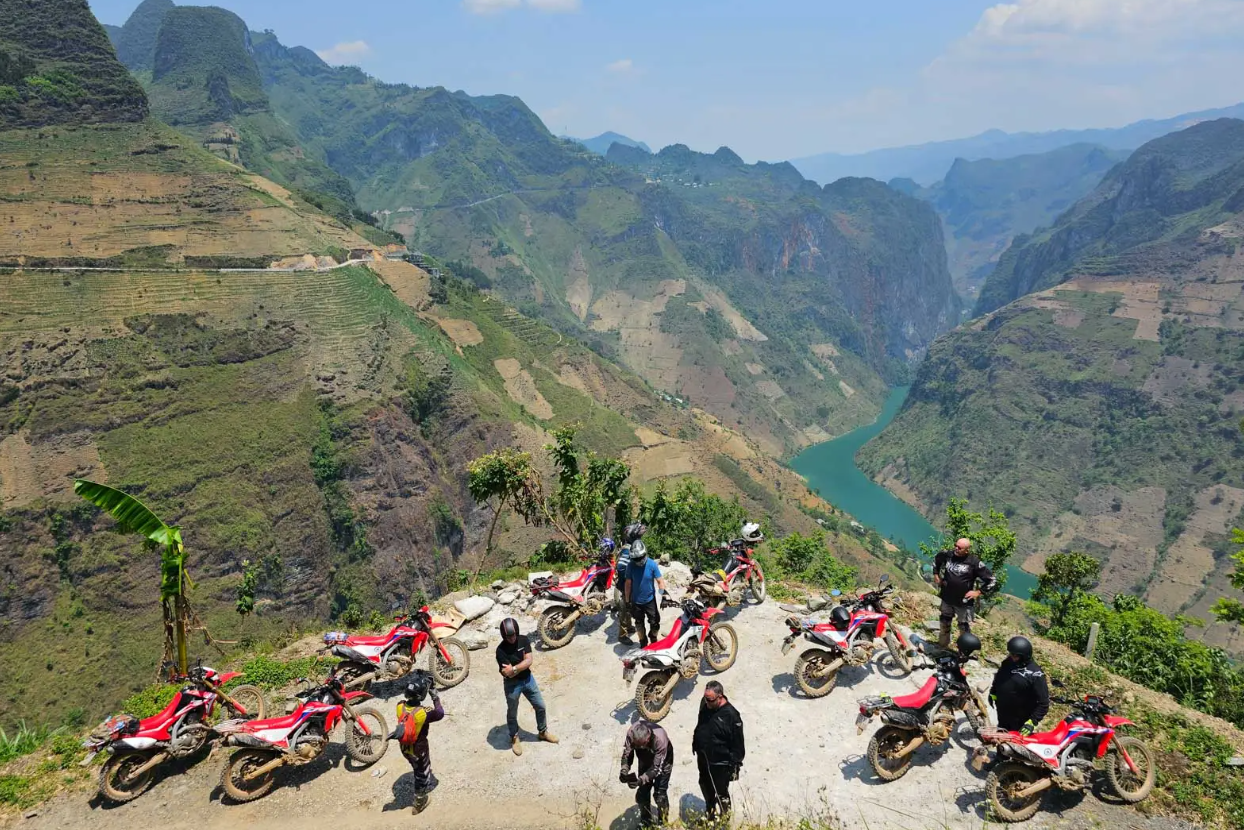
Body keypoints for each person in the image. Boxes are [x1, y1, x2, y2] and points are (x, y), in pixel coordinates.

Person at [496, 617, 558, 756]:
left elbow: (529, 661)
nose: (512, 639)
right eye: (509, 636)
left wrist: (515, 668)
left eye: (513, 635)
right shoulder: (500, 650)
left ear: (517, 632)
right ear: (504, 636)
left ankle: (542, 732)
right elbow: (507, 673)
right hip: (512, 685)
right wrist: (519, 666)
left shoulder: (523, 640)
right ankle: (514, 737)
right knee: (512, 712)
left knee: (540, 706)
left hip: (528, 680)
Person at [390, 670, 444, 814]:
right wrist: (435, 695)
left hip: (404, 746)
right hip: (419, 748)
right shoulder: (422, 713)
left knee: (415, 764)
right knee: (422, 772)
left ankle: (417, 771)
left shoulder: (399, 706)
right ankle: (420, 801)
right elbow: (440, 713)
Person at [692, 681, 744, 821]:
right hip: (703, 757)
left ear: (720, 697)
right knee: (704, 784)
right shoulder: (705, 703)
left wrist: (735, 765)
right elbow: (700, 723)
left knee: (721, 792)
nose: (707, 703)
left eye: (710, 700)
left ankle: (725, 818)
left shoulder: (732, 715)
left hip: (720, 762)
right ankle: (710, 811)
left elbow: (738, 744)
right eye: (705, 698)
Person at [933, 537, 998, 649]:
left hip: (964, 602)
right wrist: (936, 575)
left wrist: (978, 592)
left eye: (959, 548)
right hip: (947, 598)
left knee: (964, 627)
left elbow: (992, 580)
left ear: (967, 550)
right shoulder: (948, 555)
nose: (956, 548)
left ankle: (963, 650)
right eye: (955, 545)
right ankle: (942, 646)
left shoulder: (974, 562)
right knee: (944, 622)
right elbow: (936, 561)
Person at [990, 636, 1050, 734]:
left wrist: (1032, 722)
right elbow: (1000, 677)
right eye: (1010, 653)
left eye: (1015, 655)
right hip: (1003, 714)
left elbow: (1044, 703)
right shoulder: (1008, 662)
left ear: (1024, 657)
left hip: (1020, 721)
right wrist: (993, 691)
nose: (1011, 656)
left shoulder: (1036, 674)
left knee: (1014, 748)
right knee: (1001, 742)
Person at [619, 720, 674, 828]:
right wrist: (624, 770)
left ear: (648, 738)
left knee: (659, 795)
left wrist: (640, 780)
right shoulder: (631, 733)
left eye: (642, 744)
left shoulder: (660, 738)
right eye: (637, 745)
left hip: (664, 761)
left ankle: (663, 823)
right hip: (644, 759)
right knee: (642, 793)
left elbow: (656, 769)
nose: (640, 747)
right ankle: (645, 820)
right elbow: (627, 753)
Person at [624, 532, 667, 647]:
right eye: (636, 558)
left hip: (650, 601)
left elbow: (660, 581)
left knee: (655, 624)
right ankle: (643, 642)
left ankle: (653, 637)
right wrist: (627, 601)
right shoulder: (630, 566)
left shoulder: (652, 564)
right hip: (636, 601)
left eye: (640, 557)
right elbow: (628, 584)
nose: (638, 560)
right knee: (638, 623)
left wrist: (663, 596)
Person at [614, 529, 638, 643]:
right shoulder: (628, 549)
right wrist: (628, 578)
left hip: (628, 584)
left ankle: (629, 627)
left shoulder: (630, 547)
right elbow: (621, 566)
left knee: (628, 607)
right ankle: (622, 635)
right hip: (625, 585)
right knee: (624, 608)